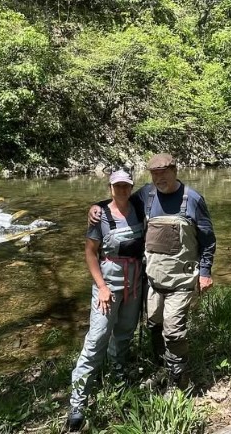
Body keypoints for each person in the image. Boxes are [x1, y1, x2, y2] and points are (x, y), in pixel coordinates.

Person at [89, 153, 215, 391]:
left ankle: (179, 383)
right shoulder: (146, 195)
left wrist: (206, 271)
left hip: (181, 281)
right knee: (154, 326)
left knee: (174, 331)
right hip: (153, 281)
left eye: (163, 173)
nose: (159, 178)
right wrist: (97, 207)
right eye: (154, 174)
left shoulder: (193, 199)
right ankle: (163, 368)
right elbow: (119, 200)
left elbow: (208, 240)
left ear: (175, 170)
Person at [67, 170, 146, 432]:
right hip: (108, 287)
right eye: (117, 186)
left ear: (131, 187)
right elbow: (90, 253)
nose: (122, 190)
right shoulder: (99, 215)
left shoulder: (139, 205)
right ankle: (78, 401)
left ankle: (119, 378)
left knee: (124, 334)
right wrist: (101, 286)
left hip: (134, 284)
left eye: (126, 185)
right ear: (110, 187)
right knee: (97, 338)